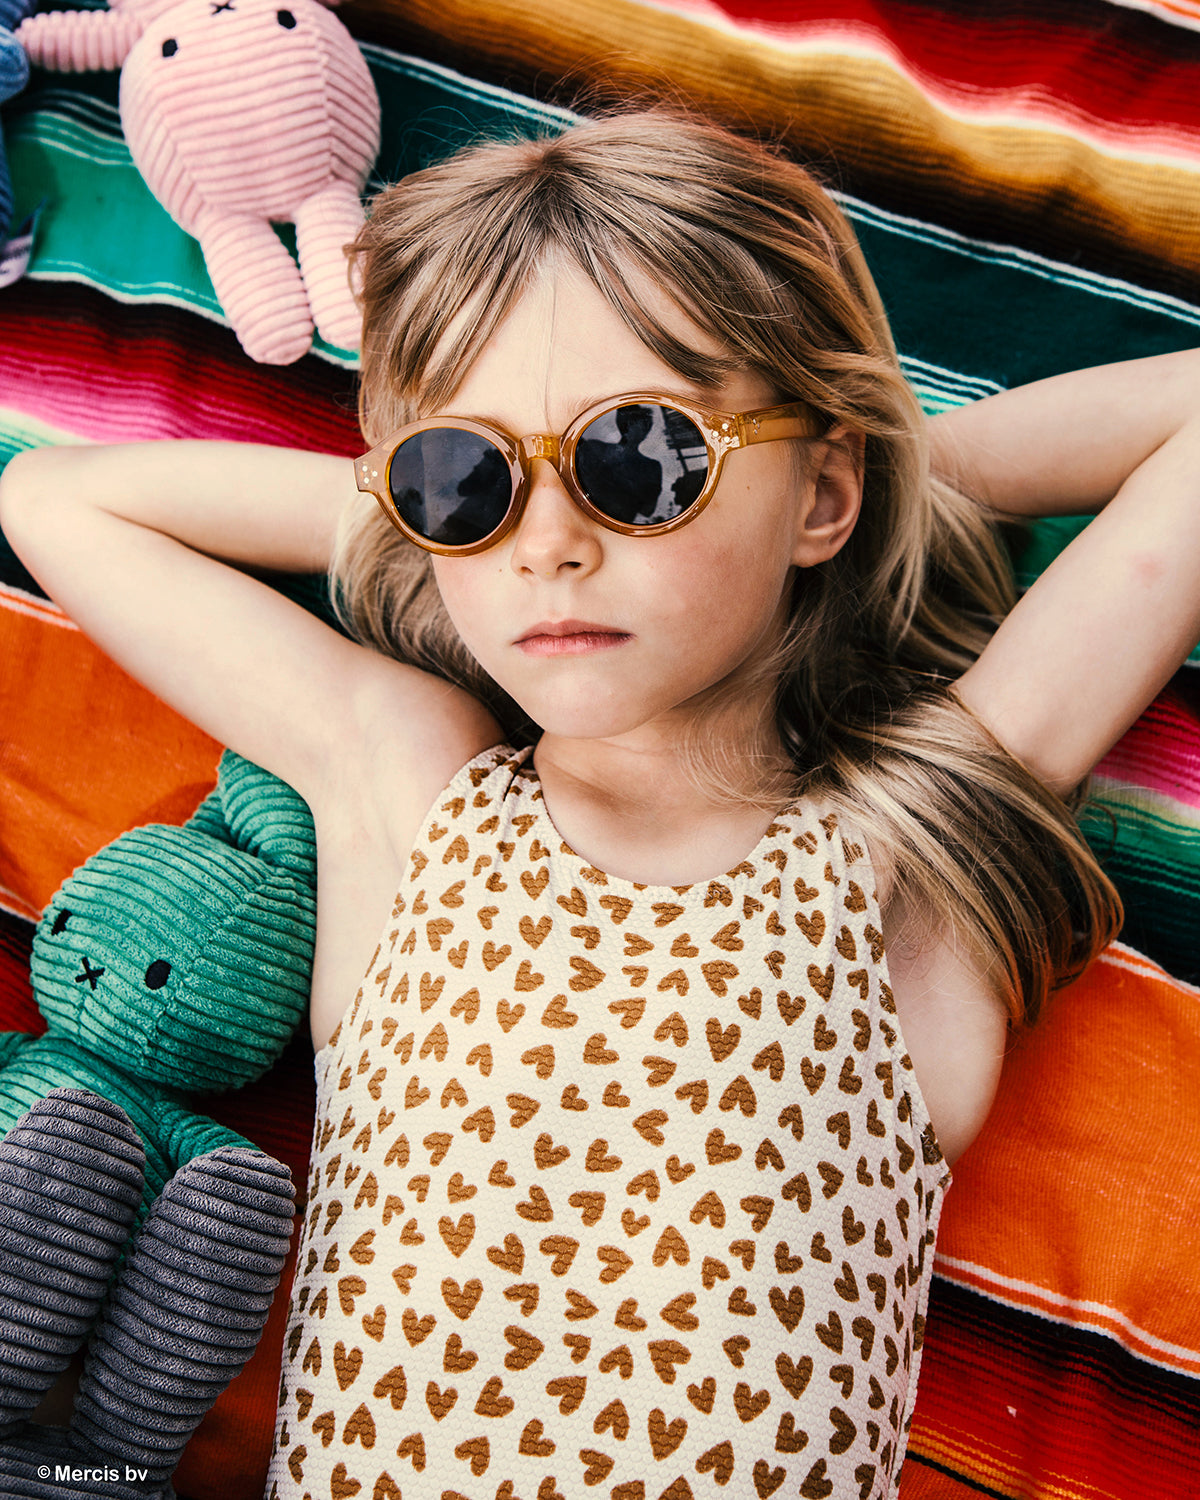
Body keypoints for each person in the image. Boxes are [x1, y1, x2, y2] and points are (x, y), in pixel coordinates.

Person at [2, 108, 1198, 1500]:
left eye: (644, 458)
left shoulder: (902, 860)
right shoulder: (408, 777)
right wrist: (431, 516)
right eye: (467, 478)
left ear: (820, 490)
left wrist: (882, 490)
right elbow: (66, 507)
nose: (551, 546)